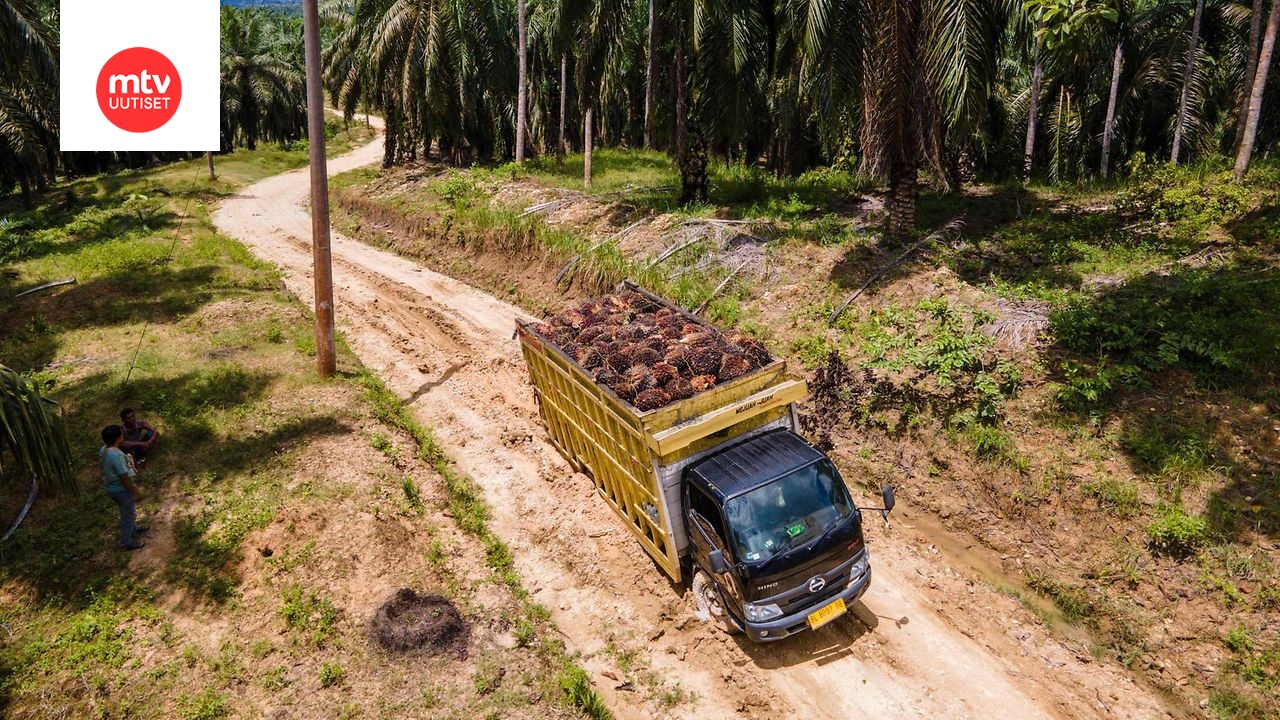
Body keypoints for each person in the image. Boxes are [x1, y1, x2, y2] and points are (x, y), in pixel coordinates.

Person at [101, 425, 147, 550]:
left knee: (129, 511)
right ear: (118, 438)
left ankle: (133, 528)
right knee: (127, 515)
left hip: (112, 488)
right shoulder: (117, 456)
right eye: (122, 434)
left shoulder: (104, 449)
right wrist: (135, 491)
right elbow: (124, 478)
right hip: (120, 490)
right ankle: (125, 542)